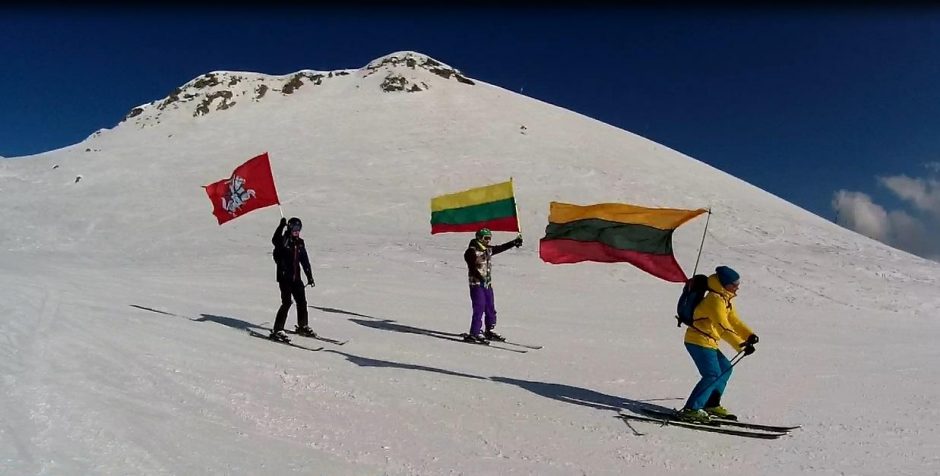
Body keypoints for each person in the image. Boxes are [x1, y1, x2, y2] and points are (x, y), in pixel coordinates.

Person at [677, 265, 758, 423]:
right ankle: (691, 409)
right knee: (712, 374)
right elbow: (723, 327)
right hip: (697, 341)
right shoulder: (714, 301)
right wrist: (741, 345)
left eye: (738, 283)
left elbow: (734, 321)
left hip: (708, 341)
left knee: (725, 369)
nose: (737, 287)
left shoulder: (724, 299)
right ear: (724, 284)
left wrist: (749, 335)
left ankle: (711, 404)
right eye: (734, 284)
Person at [462, 228, 522, 343]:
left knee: (490, 307)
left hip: (487, 284)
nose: (488, 241)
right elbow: (472, 268)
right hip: (477, 284)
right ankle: (475, 332)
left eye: (489, 238)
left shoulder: (487, 250)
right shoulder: (471, 251)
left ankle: (489, 330)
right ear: (479, 238)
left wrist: (514, 243)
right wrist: (481, 278)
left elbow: (499, 248)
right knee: (479, 307)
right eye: (486, 238)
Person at [270, 216, 316, 342]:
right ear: (290, 228)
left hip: (296, 278)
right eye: (295, 228)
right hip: (284, 278)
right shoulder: (284, 241)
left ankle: (302, 325)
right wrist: (281, 226)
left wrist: (309, 276)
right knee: (286, 302)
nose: (297, 231)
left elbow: (304, 260)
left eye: (299, 228)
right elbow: (275, 240)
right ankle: (277, 329)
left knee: (302, 301)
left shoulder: (299, 243)